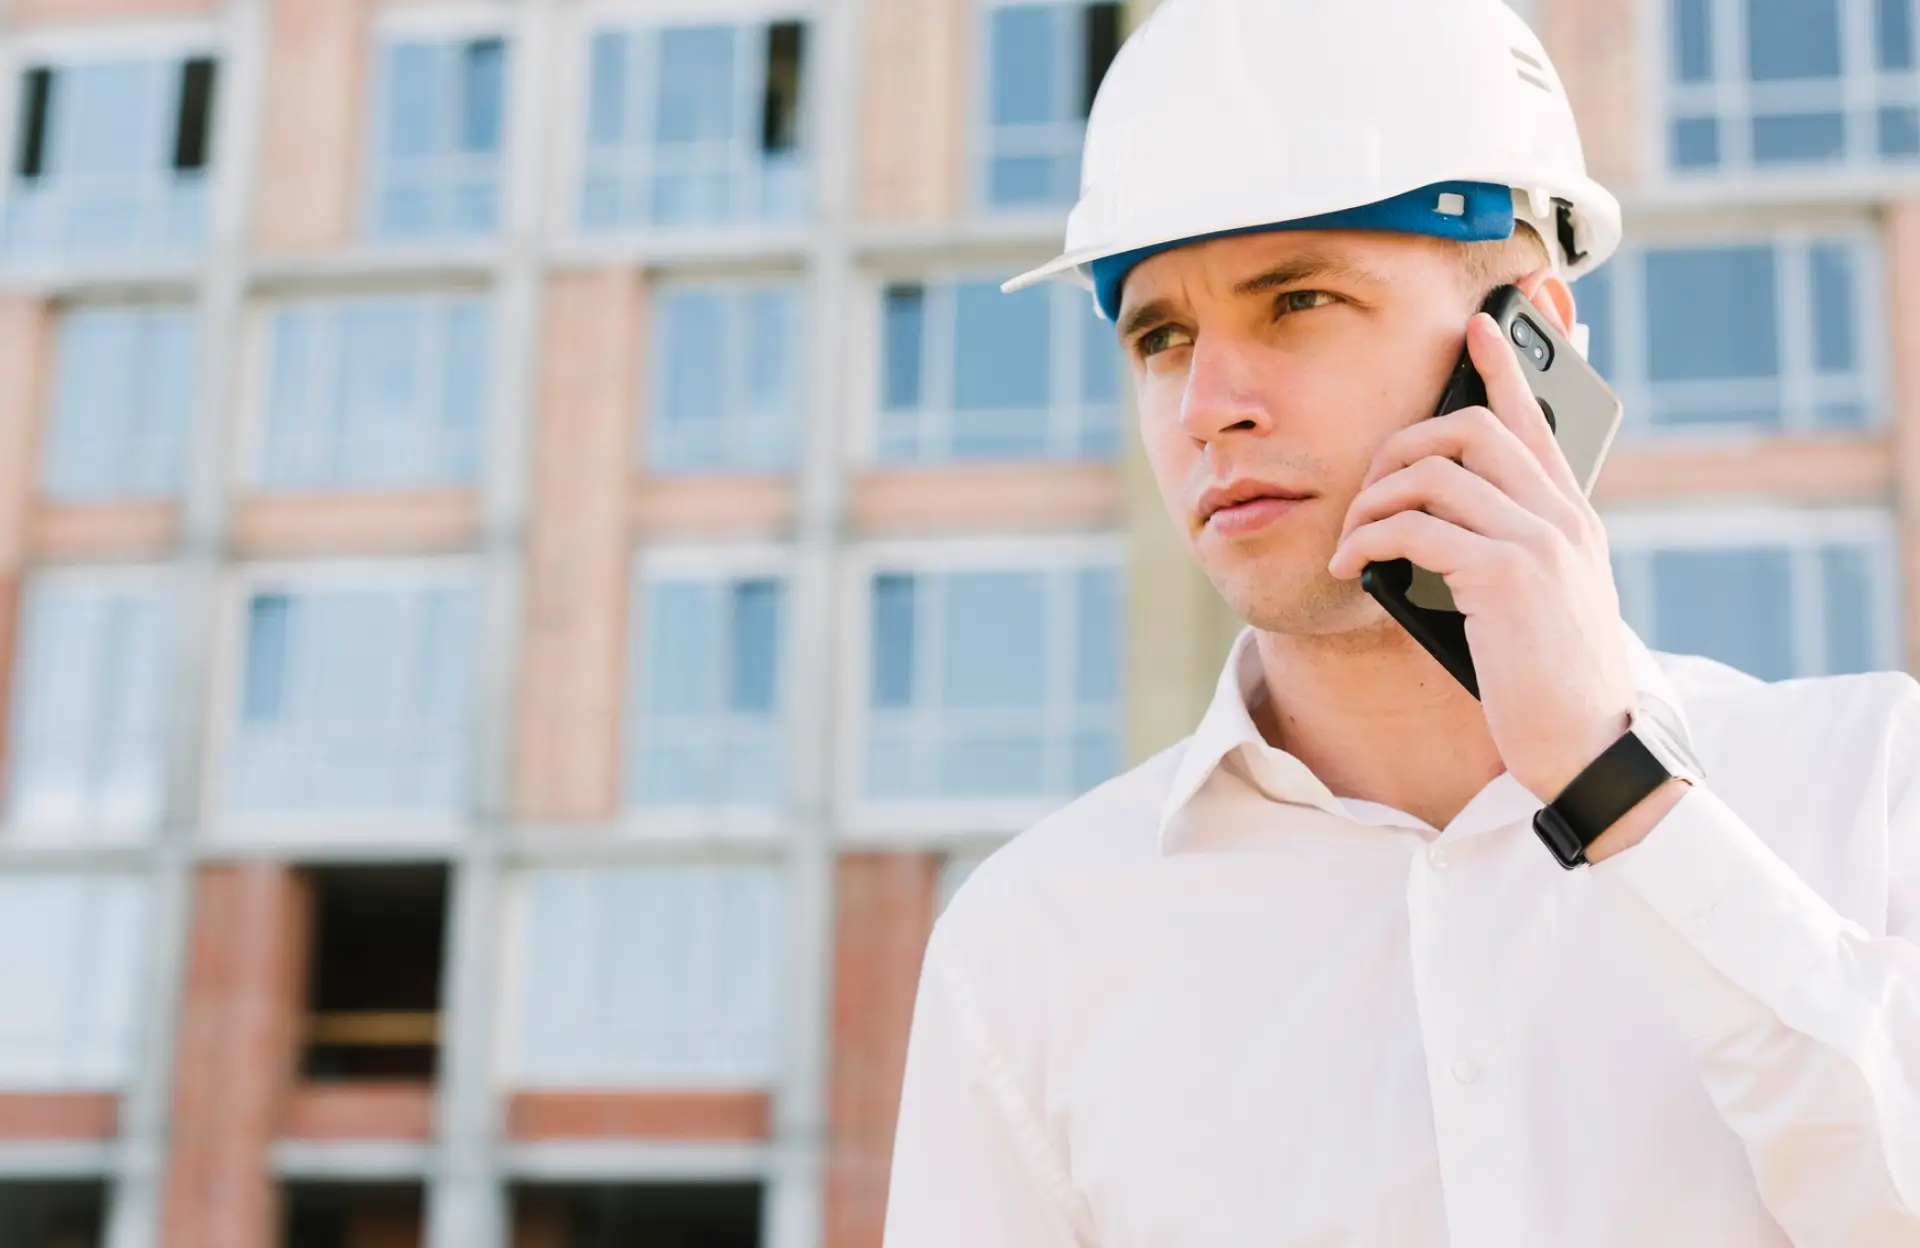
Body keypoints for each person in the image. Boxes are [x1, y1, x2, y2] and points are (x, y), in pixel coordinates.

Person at [879, 0, 1920, 1244]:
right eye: (1161, 335)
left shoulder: (1867, 787)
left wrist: (1618, 788)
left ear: (1531, 340)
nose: (1207, 404)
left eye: (1299, 301)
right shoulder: (1029, 946)